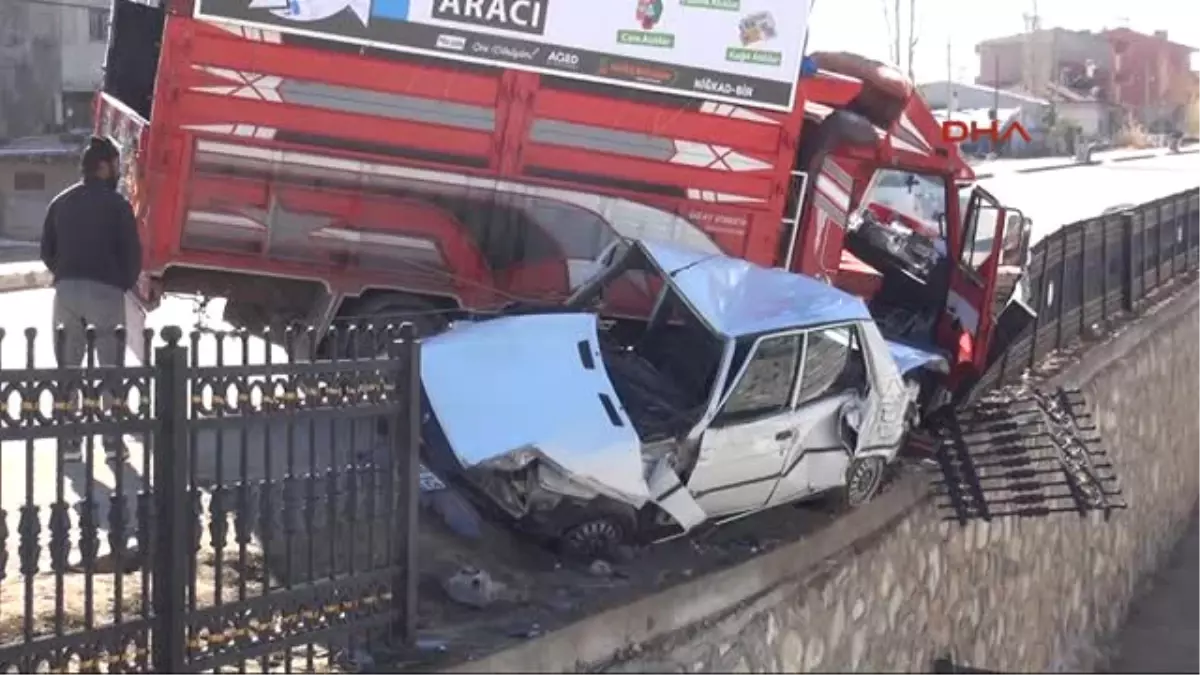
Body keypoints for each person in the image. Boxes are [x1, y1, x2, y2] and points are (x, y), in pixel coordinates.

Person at [40, 135, 143, 462]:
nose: (118, 171)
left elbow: (46, 251)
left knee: (68, 367)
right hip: (105, 291)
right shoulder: (118, 206)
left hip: (67, 292)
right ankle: (112, 444)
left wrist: (66, 273)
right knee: (110, 369)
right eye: (115, 165)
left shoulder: (60, 202)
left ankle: (71, 444)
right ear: (102, 167)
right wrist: (120, 283)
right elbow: (132, 255)